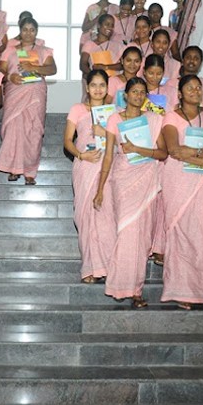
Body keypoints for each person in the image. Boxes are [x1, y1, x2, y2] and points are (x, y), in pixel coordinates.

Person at [93, 78, 167, 308]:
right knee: (126, 234)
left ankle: (135, 290)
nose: (138, 95)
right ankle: (120, 285)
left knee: (141, 237)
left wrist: (138, 149)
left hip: (146, 180)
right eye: (134, 91)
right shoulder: (115, 119)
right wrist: (99, 189)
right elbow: (108, 156)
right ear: (125, 95)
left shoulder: (154, 120)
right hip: (123, 179)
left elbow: (162, 153)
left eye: (142, 92)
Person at [160, 75, 203, 309]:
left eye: (198, 88)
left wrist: (196, 154)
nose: (195, 91)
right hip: (178, 181)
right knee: (183, 233)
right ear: (179, 93)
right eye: (190, 87)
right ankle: (183, 292)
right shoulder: (171, 117)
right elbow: (173, 150)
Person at [64, 70, 117, 284]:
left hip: (108, 167)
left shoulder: (114, 112)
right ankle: (90, 268)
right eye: (93, 85)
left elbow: (121, 141)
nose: (97, 89)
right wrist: (81, 154)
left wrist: (106, 133)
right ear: (87, 87)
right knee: (86, 217)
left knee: (107, 217)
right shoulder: (77, 109)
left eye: (102, 85)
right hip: (85, 166)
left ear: (107, 88)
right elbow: (67, 140)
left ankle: (109, 267)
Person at [0, 17, 56, 185]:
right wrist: (9, 76)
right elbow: (0, 71)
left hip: (35, 94)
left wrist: (34, 68)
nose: (28, 33)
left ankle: (30, 171)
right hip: (15, 92)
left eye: (32, 30)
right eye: (25, 29)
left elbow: (52, 69)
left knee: (33, 130)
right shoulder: (10, 50)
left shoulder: (44, 51)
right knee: (14, 128)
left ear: (36, 32)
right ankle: (14, 168)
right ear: (20, 31)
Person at [80, 14, 122, 79]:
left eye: (112, 25)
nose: (110, 28)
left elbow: (122, 65)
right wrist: (93, 76)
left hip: (114, 82)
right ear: (99, 25)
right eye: (107, 24)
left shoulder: (117, 45)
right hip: (96, 82)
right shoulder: (89, 44)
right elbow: (83, 64)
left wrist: (106, 67)